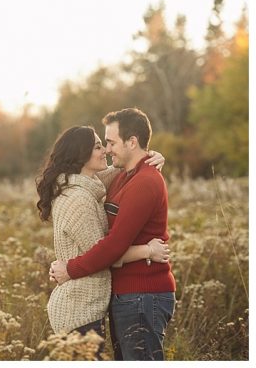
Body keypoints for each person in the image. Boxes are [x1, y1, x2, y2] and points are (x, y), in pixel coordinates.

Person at [49, 109, 176, 361]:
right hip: (122, 296)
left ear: (132, 142)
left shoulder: (144, 181)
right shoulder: (120, 178)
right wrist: (151, 154)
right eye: (102, 144)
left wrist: (70, 268)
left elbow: (112, 246)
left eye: (110, 142)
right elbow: (100, 178)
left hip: (142, 294)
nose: (107, 150)